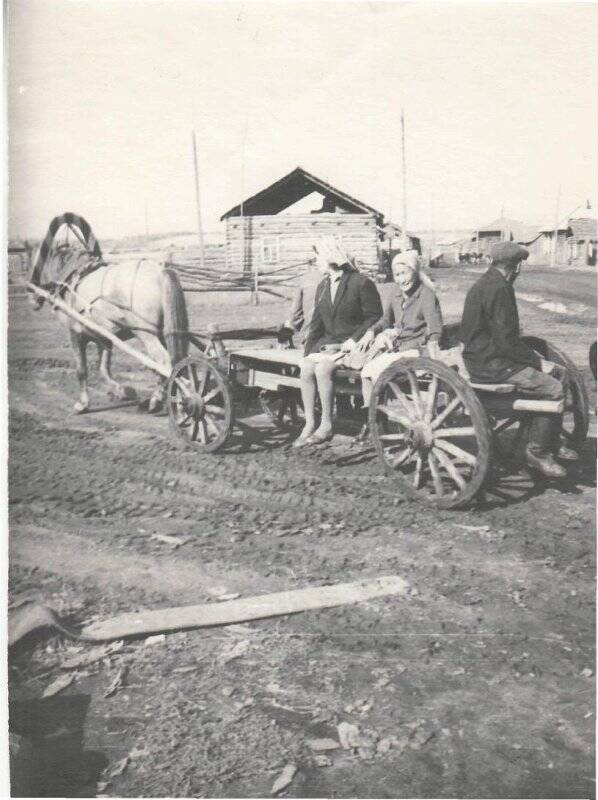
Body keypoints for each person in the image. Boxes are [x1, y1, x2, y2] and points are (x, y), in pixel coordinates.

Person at [459, 240, 577, 478]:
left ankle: (551, 440)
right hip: (493, 365)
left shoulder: (483, 284)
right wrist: (537, 362)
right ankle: (537, 452)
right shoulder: (501, 288)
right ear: (517, 267)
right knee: (553, 387)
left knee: (560, 372)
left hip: (485, 358)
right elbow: (507, 341)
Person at [294, 238, 382, 447]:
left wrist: (354, 339)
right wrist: (307, 352)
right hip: (330, 343)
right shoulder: (323, 285)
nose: (315, 261)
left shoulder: (360, 282)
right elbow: (316, 323)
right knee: (306, 367)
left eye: (318, 256)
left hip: (354, 344)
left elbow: (374, 316)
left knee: (323, 369)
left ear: (329, 257)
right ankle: (309, 423)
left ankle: (326, 425)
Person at [357, 250, 443, 408]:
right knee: (366, 372)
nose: (401, 280)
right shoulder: (395, 294)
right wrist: (371, 332)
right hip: (398, 349)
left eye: (405, 273)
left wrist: (432, 348)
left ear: (415, 272)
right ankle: (372, 415)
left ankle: (379, 413)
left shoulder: (426, 294)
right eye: (397, 275)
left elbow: (435, 327)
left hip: (415, 351)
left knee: (379, 373)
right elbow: (385, 320)